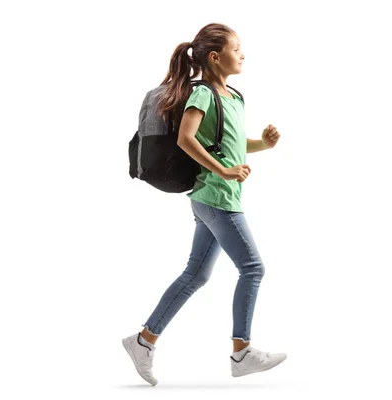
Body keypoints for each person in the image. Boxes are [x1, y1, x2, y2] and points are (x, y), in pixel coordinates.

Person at [122, 23, 286, 386]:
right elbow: (185, 138)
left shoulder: (235, 97)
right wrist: (223, 171)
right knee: (253, 268)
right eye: (237, 47)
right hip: (216, 198)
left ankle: (142, 341)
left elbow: (232, 142)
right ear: (215, 57)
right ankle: (241, 352)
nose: (243, 53)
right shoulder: (203, 95)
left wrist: (263, 144)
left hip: (215, 198)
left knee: (196, 274)